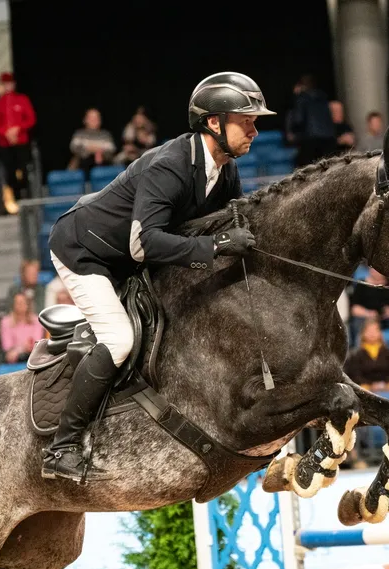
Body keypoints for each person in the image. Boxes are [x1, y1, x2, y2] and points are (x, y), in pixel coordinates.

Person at [43, 71, 271, 481]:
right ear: (213, 123)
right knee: (119, 339)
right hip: (87, 251)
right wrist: (216, 247)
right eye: (246, 120)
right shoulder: (169, 165)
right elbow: (143, 244)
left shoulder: (226, 171)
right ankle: (63, 447)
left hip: (132, 259)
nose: (255, 129)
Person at [0, 72, 36, 200]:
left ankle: (27, 195)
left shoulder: (22, 99)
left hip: (21, 142)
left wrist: (18, 129)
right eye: (5, 84)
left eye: (10, 83)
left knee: (24, 170)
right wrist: (6, 133)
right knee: (9, 173)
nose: (8, 86)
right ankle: (17, 197)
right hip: (5, 144)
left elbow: (31, 119)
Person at [287, 74, 336, 166]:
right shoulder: (323, 97)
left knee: (307, 167)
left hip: (311, 139)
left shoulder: (301, 98)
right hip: (329, 137)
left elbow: (298, 119)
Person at [349, 268, 389, 341]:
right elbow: (355, 309)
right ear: (369, 269)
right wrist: (368, 313)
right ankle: (358, 348)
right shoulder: (361, 284)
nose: (376, 272)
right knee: (357, 324)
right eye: (374, 269)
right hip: (368, 318)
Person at [343, 318, 389, 389]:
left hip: (387, 387)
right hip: (364, 388)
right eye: (369, 331)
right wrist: (370, 385)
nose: (372, 333)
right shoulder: (356, 355)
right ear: (363, 333)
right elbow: (355, 374)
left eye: (375, 330)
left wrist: (385, 384)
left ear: (380, 333)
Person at [0, 292, 44, 364]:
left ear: (28, 304)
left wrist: (20, 349)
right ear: (13, 305)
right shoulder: (6, 322)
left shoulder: (36, 320)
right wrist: (23, 348)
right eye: (18, 303)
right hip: (13, 359)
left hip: (33, 356)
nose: (21, 305)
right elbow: (7, 346)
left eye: (23, 302)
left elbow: (37, 342)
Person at [69, 108, 117, 172]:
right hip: (82, 165)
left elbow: (111, 149)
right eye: (91, 118)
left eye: (96, 118)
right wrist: (92, 150)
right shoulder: (79, 134)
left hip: (103, 163)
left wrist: (98, 151)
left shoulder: (105, 135)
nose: (94, 120)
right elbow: (74, 147)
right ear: (85, 120)